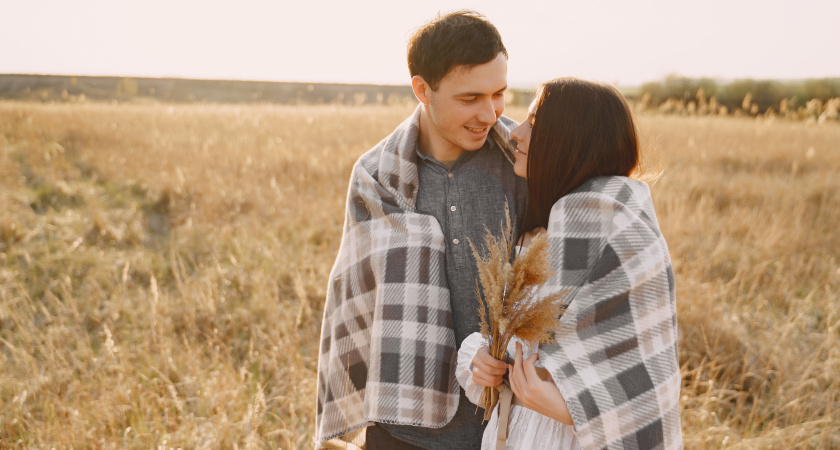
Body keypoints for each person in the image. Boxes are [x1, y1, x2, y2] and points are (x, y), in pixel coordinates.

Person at [314, 10, 527, 450]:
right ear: (422, 89)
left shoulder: (523, 163)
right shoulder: (376, 176)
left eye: (499, 94)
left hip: (510, 422)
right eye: (470, 98)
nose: (489, 113)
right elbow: (354, 299)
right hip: (404, 424)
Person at [457, 78, 683, 449]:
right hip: (515, 435)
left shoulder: (625, 235)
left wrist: (569, 409)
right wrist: (479, 358)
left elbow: (647, 378)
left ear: (572, 141)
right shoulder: (541, 232)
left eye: (535, 123)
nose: (516, 132)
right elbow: (523, 344)